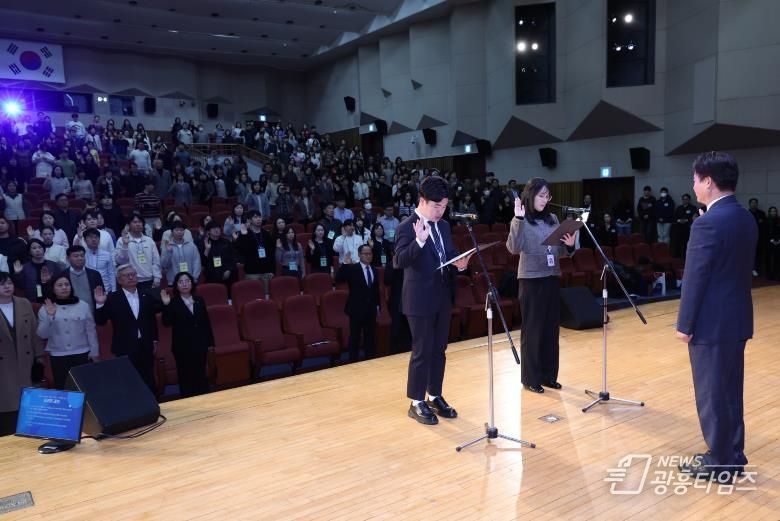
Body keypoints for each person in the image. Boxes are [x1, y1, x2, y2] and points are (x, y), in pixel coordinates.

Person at [675, 152, 757, 484]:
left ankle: (720, 462)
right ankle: (732, 455)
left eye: (695, 179)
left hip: (711, 323)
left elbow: (696, 277)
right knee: (730, 392)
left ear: (708, 182)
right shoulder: (745, 217)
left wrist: (685, 324)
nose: (693, 184)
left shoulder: (707, 223)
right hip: (737, 319)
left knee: (712, 395)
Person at [394, 176, 472, 425]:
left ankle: (434, 395)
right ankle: (416, 401)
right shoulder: (407, 226)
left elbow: (448, 254)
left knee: (439, 350)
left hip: (442, 296)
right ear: (422, 200)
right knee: (422, 351)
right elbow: (400, 261)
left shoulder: (444, 226)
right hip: (418, 299)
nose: (441, 211)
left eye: (444, 206)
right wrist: (419, 241)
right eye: (436, 206)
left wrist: (459, 264)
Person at [505, 178, 575, 394]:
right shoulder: (521, 220)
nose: (545, 200)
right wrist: (518, 219)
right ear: (530, 195)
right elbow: (513, 248)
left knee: (550, 330)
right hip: (531, 280)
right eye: (541, 195)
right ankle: (530, 378)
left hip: (551, 276)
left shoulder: (552, 218)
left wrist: (569, 246)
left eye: (547, 196)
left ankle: (548, 376)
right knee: (533, 330)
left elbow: (559, 251)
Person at [94, 264, 159, 394]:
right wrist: (100, 303)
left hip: (145, 345)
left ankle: (152, 405)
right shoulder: (112, 298)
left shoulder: (147, 294)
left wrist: (154, 340)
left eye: (133, 274)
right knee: (130, 382)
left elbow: (152, 320)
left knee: (149, 379)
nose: (131, 277)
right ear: (119, 280)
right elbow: (101, 321)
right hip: (125, 347)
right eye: (127, 275)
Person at [0, 272, 45, 436]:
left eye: (9, 283)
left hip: (25, 361)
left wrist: (39, 359)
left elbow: (34, 333)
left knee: (28, 406)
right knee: (7, 408)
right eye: (2, 284)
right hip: (4, 367)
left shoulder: (23, 303)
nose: (7, 287)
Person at [36, 274, 99, 389]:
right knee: (63, 388)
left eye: (67, 284)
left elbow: (91, 330)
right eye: (60, 285)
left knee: (85, 387)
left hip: (82, 353)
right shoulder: (46, 308)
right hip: (59, 355)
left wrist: (94, 351)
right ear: (53, 289)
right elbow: (42, 334)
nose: (64, 287)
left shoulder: (83, 305)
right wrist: (51, 316)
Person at [161, 272, 214, 398]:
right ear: (176, 285)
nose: (184, 284)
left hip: (200, 345)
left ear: (192, 283)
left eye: (187, 281)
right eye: (181, 282)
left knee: (200, 374)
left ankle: (204, 400)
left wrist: (210, 342)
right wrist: (166, 305)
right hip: (182, 347)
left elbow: (206, 322)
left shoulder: (199, 300)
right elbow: (166, 323)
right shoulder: (173, 302)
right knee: (185, 376)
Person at [335, 244, 380, 362]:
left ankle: (370, 361)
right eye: (365, 254)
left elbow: (376, 291)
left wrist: (377, 306)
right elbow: (338, 279)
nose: (368, 256)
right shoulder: (353, 269)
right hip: (356, 310)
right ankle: (353, 362)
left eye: (370, 254)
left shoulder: (374, 269)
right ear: (359, 255)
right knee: (355, 337)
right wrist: (345, 264)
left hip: (370, 310)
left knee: (370, 337)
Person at [114, 214, 161, 291]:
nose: (138, 224)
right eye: (135, 222)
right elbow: (120, 261)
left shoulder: (149, 240)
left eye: (140, 222)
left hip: (149, 280)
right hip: (131, 281)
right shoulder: (121, 240)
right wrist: (125, 245)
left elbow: (156, 261)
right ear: (128, 225)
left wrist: (157, 277)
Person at [235, 210, 276, 295]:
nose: (258, 219)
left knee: (267, 296)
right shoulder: (245, 233)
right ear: (250, 220)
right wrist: (243, 235)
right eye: (255, 217)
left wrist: (272, 270)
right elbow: (241, 250)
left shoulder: (266, 234)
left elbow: (271, 253)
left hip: (266, 272)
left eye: (259, 217)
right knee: (254, 296)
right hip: (252, 272)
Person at [160, 222, 202, 286]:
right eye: (177, 230)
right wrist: (168, 252)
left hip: (190, 281)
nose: (179, 232)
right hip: (173, 282)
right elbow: (164, 265)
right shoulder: (168, 246)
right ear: (172, 232)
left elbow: (196, 262)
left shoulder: (191, 245)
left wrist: (194, 278)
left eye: (181, 230)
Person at [200, 221, 237, 287]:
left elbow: (233, 258)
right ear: (208, 231)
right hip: (212, 277)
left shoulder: (226, 242)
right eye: (213, 228)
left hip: (228, 275)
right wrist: (207, 249)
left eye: (218, 228)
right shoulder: (204, 243)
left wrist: (229, 270)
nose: (216, 230)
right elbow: (203, 263)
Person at [767, 207, 780, 281]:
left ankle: (777, 274)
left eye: (774, 211)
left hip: (778, 243)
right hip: (769, 243)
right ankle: (770, 275)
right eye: (772, 211)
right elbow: (765, 232)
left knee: (777, 260)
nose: (773, 213)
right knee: (769, 259)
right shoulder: (767, 221)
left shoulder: (779, 220)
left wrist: (778, 241)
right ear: (769, 212)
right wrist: (772, 241)